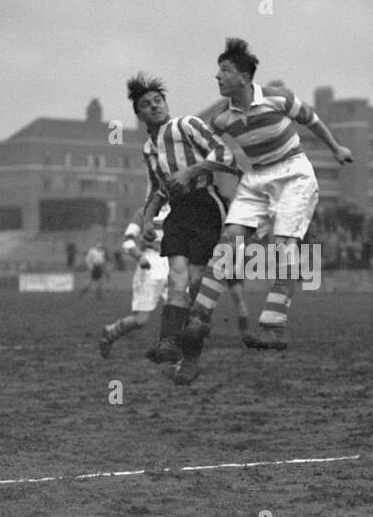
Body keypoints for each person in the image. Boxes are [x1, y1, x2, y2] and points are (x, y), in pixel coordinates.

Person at [175, 37, 354, 385]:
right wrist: (192, 170)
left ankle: (273, 327)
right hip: (256, 178)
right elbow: (214, 153)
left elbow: (312, 121)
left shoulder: (278, 96)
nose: (218, 77)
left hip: (294, 173)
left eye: (224, 71)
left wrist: (336, 149)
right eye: (218, 71)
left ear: (243, 76)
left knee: (284, 245)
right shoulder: (223, 119)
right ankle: (199, 317)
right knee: (230, 240)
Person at [129, 72, 241, 363]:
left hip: (205, 203)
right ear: (139, 114)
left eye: (158, 100)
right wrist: (146, 223)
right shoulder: (148, 148)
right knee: (175, 278)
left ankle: (193, 344)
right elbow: (157, 189)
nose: (154, 106)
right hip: (177, 212)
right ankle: (167, 343)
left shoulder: (186, 125)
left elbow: (226, 156)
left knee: (194, 278)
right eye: (146, 104)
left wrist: (191, 172)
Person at [99, 204, 170, 358]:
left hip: (174, 263)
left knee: (180, 309)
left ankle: (174, 352)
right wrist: (139, 256)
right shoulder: (144, 212)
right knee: (140, 320)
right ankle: (110, 333)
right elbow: (128, 240)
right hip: (151, 264)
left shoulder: (182, 209)